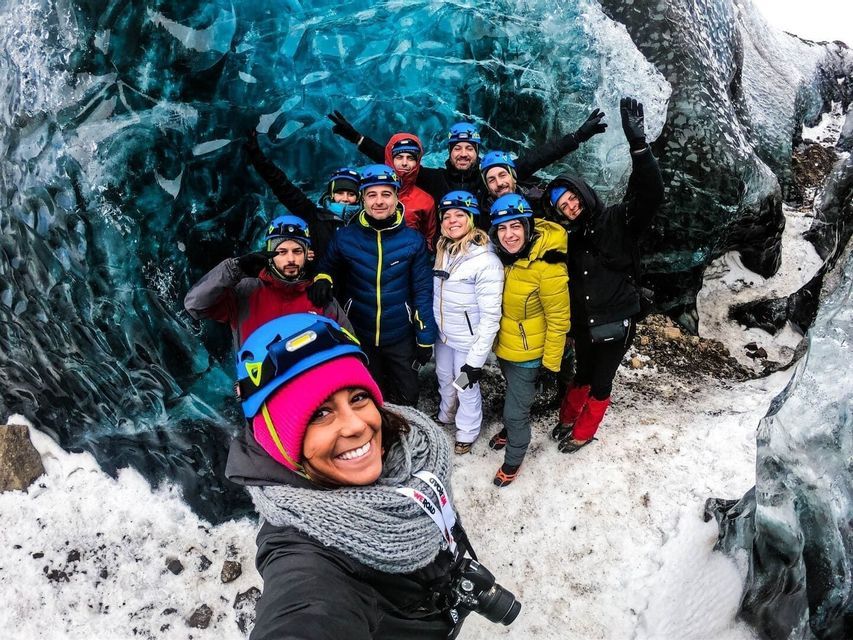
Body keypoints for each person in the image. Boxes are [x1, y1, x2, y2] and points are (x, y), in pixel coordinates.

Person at [225, 313, 521, 639]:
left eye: (358, 397)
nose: (355, 425)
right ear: (280, 441)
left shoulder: (413, 452)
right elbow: (304, 613)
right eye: (320, 413)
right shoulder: (304, 554)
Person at [545, 97, 664, 453]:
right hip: (583, 322)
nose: (570, 206)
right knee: (582, 373)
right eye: (562, 206)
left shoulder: (617, 220)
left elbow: (651, 195)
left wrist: (639, 146)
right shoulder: (568, 237)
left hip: (615, 319)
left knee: (600, 381)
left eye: (572, 198)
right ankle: (567, 419)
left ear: (582, 192)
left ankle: (583, 432)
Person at [327, 109, 606, 228]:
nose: (463, 153)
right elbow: (397, 161)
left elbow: (539, 157)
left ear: (477, 153)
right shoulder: (434, 179)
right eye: (457, 148)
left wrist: (578, 136)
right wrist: (357, 138)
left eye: (469, 148)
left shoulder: (491, 178)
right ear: (450, 153)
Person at [312, 165, 438, 406]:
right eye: (372, 195)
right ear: (363, 199)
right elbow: (327, 266)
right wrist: (322, 279)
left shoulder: (413, 241)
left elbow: (422, 290)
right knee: (371, 395)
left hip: (400, 335)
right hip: (361, 334)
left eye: (386, 194)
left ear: (396, 197)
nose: (379, 201)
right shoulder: (345, 237)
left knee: (409, 395)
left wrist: (425, 337)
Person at [487, 194, 570, 487]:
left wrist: (550, 365)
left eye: (515, 227)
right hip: (507, 349)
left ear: (527, 226)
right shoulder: (504, 259)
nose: (509, 235)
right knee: (514, 396)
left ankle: (513, 459)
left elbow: (559, 320)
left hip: (530, 356)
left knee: (515, 411)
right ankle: (511, 431)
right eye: (501, 228)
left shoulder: (548, 267)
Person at [184, 213, 350, 349]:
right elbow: (195, 305)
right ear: (270, 254)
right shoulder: (245, 290)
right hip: (260, 387)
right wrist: (235, 268)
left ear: (307, 255)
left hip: (311, 387)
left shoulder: (320, 296)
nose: (290, 259)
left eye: (297, 251)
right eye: (282, 252)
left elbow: (350, 347)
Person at [431, 191, 503, 454]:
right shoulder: (444, 250)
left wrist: (475, 360)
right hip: (444, 335)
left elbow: (491, 317)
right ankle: (446, 414)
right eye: (447, 216)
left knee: (465, 384)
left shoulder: (485, 260)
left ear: (472, 219)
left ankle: (467, 430)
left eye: (460, 215)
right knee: (443, 376)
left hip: (468, 341)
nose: (452, 221)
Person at [244, 130, 361, 260]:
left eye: (351, 194)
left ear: (358, 197)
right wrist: (256, 155)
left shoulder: (365, 222)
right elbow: (281, 185)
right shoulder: (314, 215)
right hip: (318, 279)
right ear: (331, 194)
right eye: (340, 193)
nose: (345, 199)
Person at [477, 108, 606, 214]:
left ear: (513, 175)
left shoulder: (535, 200)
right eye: (491, 180)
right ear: (487, 187)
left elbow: (542, 156)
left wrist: (578, 136)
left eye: (502, 175)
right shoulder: (482, 213)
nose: (499, 183)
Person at [384, 133, 438, 251]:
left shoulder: (426, 201)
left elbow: (429, 240)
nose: (404, 163)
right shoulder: (373, 193)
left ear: (417, 161)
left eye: (410, 158)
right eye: (399, 157)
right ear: (390, 158)